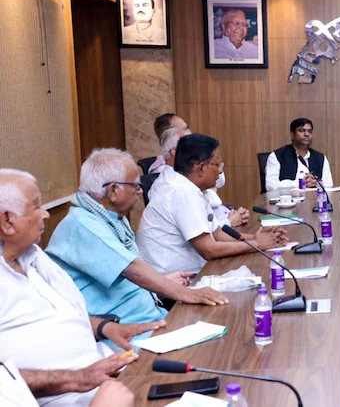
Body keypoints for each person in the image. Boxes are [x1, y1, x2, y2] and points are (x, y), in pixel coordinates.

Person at [0, 169, 158, 406]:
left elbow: (60, 313)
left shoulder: (32, 255)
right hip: (68, 397)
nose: (45, 214)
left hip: (103, 372)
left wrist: (105, 328)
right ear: (7, 221)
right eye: (37, 206)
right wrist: (79, 379)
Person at [45, 149, 228, 349]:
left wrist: (164, 281)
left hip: (151, 317)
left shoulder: (110, 218)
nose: (140, 191)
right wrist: (188, 294)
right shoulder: (82, 224)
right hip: (130, 333)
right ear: (113, 190)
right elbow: (132, 269)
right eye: (136, 185)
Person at [138, 134, 288, 274]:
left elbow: (217, 234)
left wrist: (255, 237)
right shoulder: (180, 191)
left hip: (193, 273)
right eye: (218, 165)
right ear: (200, 167)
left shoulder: (191, 188)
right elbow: (208, 250)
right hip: (174, 282)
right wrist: (258, 244)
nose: (220, 172)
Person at [154, 128, 250, 227]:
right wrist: (229, 222)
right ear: (175, 152)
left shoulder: (189, 182)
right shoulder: (173, 186)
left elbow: (211, 228)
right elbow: (203, 234)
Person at [265, 118, 334, 192]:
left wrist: (316, 183)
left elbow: (329, 184)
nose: (307, 134)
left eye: (310, 131)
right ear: (292, 135)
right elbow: (270, 186)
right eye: (302, 131)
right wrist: (300, 183)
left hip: (314, 198)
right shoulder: (277, 156)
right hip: (287, 198)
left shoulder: (321, 158)